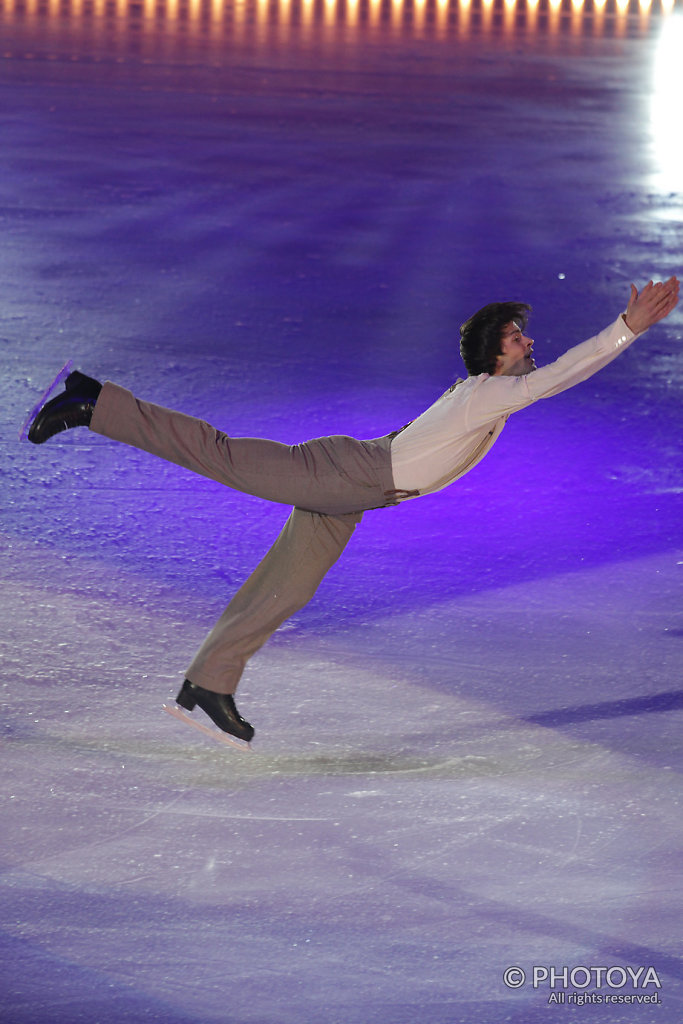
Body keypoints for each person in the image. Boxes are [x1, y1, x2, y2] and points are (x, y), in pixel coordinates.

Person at [25, 276, 680, 744]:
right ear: (493, 354)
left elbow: (533, 384)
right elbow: (558, 376)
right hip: (345, 475)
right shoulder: (488, 393)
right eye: (515, 337)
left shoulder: (488, 394)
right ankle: (94, 402)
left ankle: (210, 681)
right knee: (220, 454)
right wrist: (626, 329)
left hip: (359, 488)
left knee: (290, 584)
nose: (527, 341)